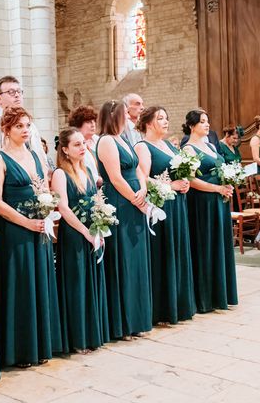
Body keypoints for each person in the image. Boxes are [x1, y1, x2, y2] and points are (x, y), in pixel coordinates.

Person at [0, 107, 61, 367]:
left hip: (38, 226)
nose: (25, 130)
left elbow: (44, 189)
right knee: (20, 286)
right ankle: (18, 350)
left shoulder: (34, 155)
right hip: (15, 229)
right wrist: (25, 222)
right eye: (19, 126)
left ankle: (39, 345)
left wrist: (47, 211)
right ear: (6, 129)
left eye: (27, 125)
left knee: (39, 282)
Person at [135, 107, 196, 324]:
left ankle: (179, 304)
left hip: (178, 205)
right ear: (149, 123)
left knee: (178, 250)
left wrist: (185, 182)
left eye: (166, 118)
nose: (166, 121)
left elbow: (179, 171)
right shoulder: (143, 147)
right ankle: (162, 309)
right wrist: (171, 185)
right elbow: (142, 177)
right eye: (160, 118)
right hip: (162, 207)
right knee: (164, 253)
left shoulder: (169, 145)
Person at [96, 100, 152, 339]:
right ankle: (124, 322)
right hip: (120, 202)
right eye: (124, 115)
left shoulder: (124, 140)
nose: (129, 119)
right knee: (124, 260)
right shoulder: (107, 140)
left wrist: (143, 190)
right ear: (114, 117)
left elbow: (138, 169)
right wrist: (134, 198)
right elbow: (115, 178)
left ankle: (138, 318)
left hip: (135, 199)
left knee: (137, 259)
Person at [52, 128, 109, 353]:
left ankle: (92, 334)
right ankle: (78, 339)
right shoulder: (60, 173)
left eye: (83, 143)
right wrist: (86, 232)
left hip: (91, 232)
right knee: (77, 285)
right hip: (75, 234)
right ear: (65, 150)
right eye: (76, 145)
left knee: (91, 281)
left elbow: (95, 201)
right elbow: (63, 208)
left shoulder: (85, 170)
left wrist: (100, 226)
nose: (83, 147)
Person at [181, 109, 238, 313]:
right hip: (202, 202)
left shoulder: (211, 145)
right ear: (191, 126)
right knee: (206, 245)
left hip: (219, 201)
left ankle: (220, 293)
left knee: (220, 244)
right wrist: (217, 188)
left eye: (207, 121)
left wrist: (227, 183)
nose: (207, 125)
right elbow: (190, 179)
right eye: (202, 121)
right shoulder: (188, 149)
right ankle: (205, 298)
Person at [0, 75, 44, 165]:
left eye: (19, 91)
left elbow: (40, 154)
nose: (17, 95)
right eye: (11, 92)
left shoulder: (30, 123)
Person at [68, 105, 100, 183]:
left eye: (94, 121)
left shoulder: (98, 140)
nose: (93, 125)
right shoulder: (73, 144)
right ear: (78, 124)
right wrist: (100, 180)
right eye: (88, 122)